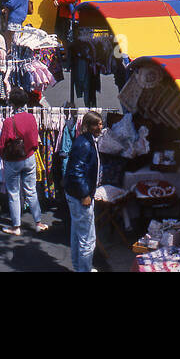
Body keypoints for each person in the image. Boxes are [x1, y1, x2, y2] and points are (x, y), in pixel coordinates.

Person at [0, 87, 48, 236]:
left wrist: (4, 157)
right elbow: (34, 140)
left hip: (14, 161)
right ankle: (38, 222)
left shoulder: (9, 122)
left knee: (14, 192)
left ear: (12, 104)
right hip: (30, 157)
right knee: (31, 190)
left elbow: (2, 144)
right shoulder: (31, 118)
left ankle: (16, 226)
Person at [63, 111, 104, 272]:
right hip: (80, 196)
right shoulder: (84, 144)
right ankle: (84, 269)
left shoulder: (87, 141)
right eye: (96, 124)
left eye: (100, 124)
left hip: (76, 194)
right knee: (88, 238)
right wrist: (85, 194)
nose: (99, 127)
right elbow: (75, 172)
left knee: (77, 233)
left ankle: (79, 266)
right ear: (87, 125)